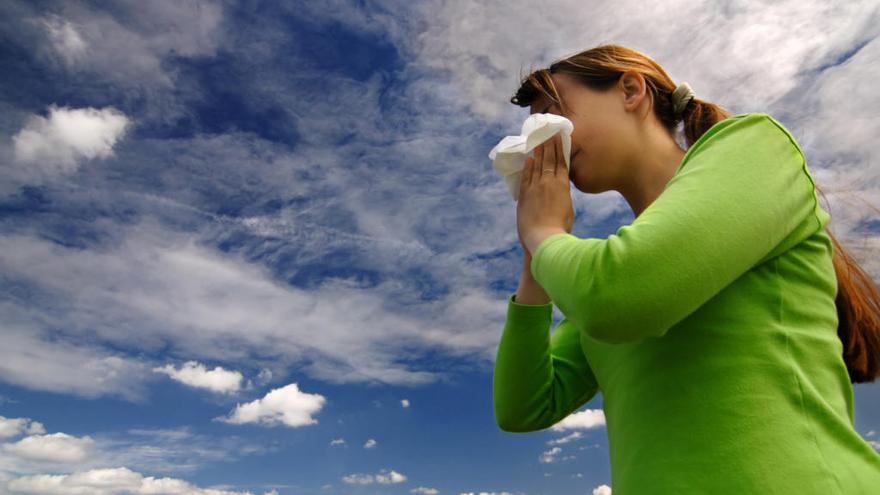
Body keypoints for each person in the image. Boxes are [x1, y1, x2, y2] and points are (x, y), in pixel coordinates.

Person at [492, 44, 880, 494]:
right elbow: (523, 406)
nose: (543, 143)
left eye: (553, 114)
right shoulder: (612, 270)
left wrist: (545, 234)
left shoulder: (754, 145)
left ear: (631, 90)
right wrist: (535, 254)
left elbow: (619, 296)